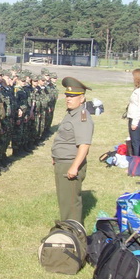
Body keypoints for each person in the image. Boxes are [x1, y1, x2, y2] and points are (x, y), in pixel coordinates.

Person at [51, 77, 94, 224]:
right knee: (64, 200)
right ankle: (67, 227)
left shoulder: (82, 117)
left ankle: (73, 233)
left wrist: (74, 167)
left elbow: (84, 145)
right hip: (62, 162)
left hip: (70, 164)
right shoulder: (71, 113)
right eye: (67, 96)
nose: (68, 99)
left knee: (71, 203)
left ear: (82, 99)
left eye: (73, 96)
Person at [126, 68, 140, 157]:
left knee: (136, 142)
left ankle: (137, 163)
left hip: (137, 119)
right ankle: (135, 160)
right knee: (133, 140)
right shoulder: (138, 89)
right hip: (132, 117)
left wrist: (135, 122)